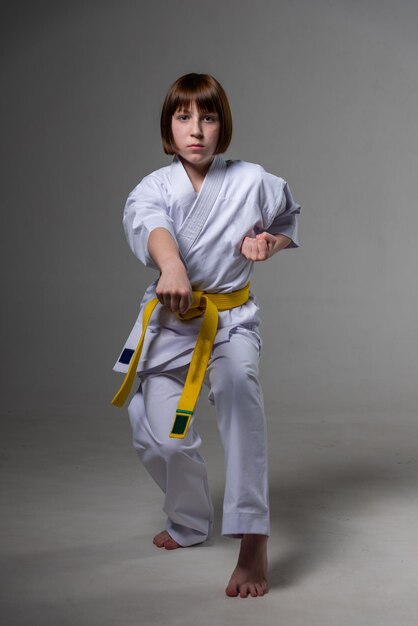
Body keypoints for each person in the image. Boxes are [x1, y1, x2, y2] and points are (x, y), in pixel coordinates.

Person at [112, 73, 301, 598]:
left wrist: (270, 243)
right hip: (172, 324)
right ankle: (190, 521)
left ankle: (253, 540)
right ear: (169, 129)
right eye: (184, 117)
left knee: (240, 389)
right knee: (158, 435)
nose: (196, 130)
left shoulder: (252, 180)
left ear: (224, 126)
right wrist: (170, 266)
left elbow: (287, 216)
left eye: (209, 117)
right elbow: (152, 226)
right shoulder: (152, 187)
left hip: (230, 322)